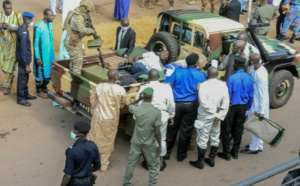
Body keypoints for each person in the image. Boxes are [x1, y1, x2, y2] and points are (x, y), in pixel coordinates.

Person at [164, 54, 207, 162]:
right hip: (191, 105)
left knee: (171, 129)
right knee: (186, 130)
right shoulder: (201, 75)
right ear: (197, 63)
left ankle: (167, 153)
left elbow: (167, 85)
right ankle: (181, 155)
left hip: (176, 105)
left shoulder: (178, 72)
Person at [189, 67, 229, 170]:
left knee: (202, 138)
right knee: (215, 137)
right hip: (216, 117)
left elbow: (203, 102)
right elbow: (226, 102)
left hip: (205, 116)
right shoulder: (223, 85)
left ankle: (200, 162)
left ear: (207, 74)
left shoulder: (203, 85)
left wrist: (214, 110)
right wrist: (219, 115)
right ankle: (211, 160)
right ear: (217, 75)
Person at [88, 69, 126, 172]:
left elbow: (92, 100)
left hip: (98, 117)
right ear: (117, 77)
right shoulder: (120, 89)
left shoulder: (99, 86)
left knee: (95, 137)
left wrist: (94, 108)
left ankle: (91, 161)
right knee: (108, 140)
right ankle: (104, 165)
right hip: (111, 119)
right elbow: (123, 103)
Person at [138, 69, 175, 171]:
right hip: (161, 117)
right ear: (159, 77)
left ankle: (149, 163)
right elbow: (171, 104)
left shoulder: (143, 88)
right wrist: (171, 115)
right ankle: (160, 162)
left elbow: (139, 104)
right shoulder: (166, 88)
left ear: (148, 78)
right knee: (161, 139)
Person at [123, 87, 162, 186]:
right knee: (154, 166)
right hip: (149, 144)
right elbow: (157, 132)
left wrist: (139, 99)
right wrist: (160, 146)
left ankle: (126, 183)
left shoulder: (137, 109)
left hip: (136, 142)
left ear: (143, 96)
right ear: (152, 97)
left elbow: (130, 106)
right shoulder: (156, 112)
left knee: (131, 164)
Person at [217, 56, 253, 161]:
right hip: (243, 107)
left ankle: (226, 152)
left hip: (231, 106)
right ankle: (235, 152)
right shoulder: (250, 78)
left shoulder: (231, 78)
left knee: (226, 129)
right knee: (238, 129)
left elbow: (228, 95)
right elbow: (251, 95)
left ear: (236, 65)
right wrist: (248, 107)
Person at [240, 53, 269, 154]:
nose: (248, 60)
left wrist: (261, 111)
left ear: (253, 61)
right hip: (255, 102)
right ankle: (259, 145)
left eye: (250, 59)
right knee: (258, 126)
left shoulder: (260, 75)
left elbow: (263, 94)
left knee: (254, 126)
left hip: (258, 105)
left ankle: (253, 148)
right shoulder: (256, 69)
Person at [60, 121, 101, 186]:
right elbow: (97, 166)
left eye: (74, 132)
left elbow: (68, 176)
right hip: (88, 182)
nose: (72, 132)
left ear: (81, 135)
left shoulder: (71, 151)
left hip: (75, 183)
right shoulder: (93, 145)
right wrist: (85, 171)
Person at [64, 0, 96, 75]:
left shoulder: (74, 13)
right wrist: (91, 31)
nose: (88, 12)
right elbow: (81, 29)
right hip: (72, 42)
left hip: (73, 40)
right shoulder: (79, 17)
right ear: (84, 8)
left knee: (74, 60)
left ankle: (72, 74)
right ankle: (75, 78)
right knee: (78, 61)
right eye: (87, 10)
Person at [0, 0, 23, 95]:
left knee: (9, 65)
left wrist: (13, 28)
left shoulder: (17, 16)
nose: (9, 10)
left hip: (13, 46)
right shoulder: (0, 16)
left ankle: (7, 86)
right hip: (2, 44)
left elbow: (23, 28)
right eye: (7, 8)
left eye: (10, 8)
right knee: (2, 65)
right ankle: (11, 75)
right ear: (4, 8)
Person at [33, 9, 55, 99]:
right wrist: (38, 57)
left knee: (49, 73)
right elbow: (35, 43)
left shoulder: (50, 24)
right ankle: (38, 90)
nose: (52, 17)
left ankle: (44, 87)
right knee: (40, 73)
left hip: (49, 54)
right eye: (50, 16)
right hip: (41, 55)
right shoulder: (38, 26)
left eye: (52, 15)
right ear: (45, 16)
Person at [16, 12, 36, 107]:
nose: (32, 22)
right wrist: (26, 65)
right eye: (31, 20)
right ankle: (20, 98)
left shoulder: (23, 29)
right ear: (26, 20)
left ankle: (25, 94)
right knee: (22, 79)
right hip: (24, 61)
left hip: (25, 60)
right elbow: (23, 50)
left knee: (25, 78)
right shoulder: (23, 33)